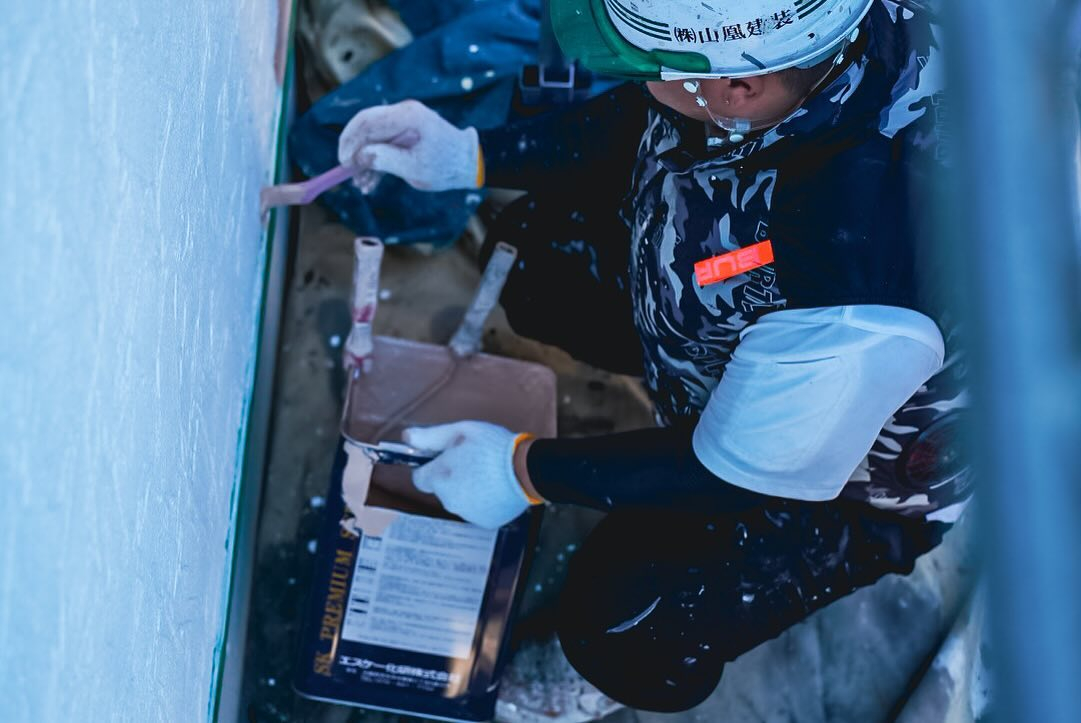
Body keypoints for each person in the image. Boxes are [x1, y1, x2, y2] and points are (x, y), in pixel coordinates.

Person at [337, 0, 971, 718]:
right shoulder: (793, 50)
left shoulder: (863, 263)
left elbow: (738, 469)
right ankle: (680, 381)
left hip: (842, 481)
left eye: (647, 67)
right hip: (754, 308)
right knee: (541, 258)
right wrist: (475, 153)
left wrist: (522, 468)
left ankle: (593, 675)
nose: (634, 82)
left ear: (739, 87)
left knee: (628, 620)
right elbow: (647, 119)